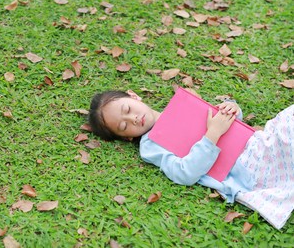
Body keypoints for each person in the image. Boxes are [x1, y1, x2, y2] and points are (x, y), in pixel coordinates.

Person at [88, 90, 294, 229]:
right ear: (127, 137)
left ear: (133, 96)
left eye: (128, 110)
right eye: (124, 126)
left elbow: (227, 123)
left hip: (254, 142)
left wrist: (231, 109)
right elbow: (184, 173)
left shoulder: (182, 103)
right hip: (245, 167)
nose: (132, 118)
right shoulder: (150, 146)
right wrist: (212, 134)